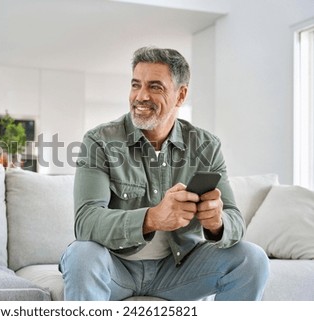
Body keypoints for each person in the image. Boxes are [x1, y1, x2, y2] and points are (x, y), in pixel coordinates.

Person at [59, 46, 269, 301]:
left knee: (252, 259)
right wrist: (152, 218)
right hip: (116, 267)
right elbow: (86, 223)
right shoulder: (100, 141)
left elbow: (235, 219)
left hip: (179, 271)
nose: (140, 96)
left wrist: (217, 223)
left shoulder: (206, 146)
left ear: (180, 95)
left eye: (155, 87)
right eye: (136, 85)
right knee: (82, 255)